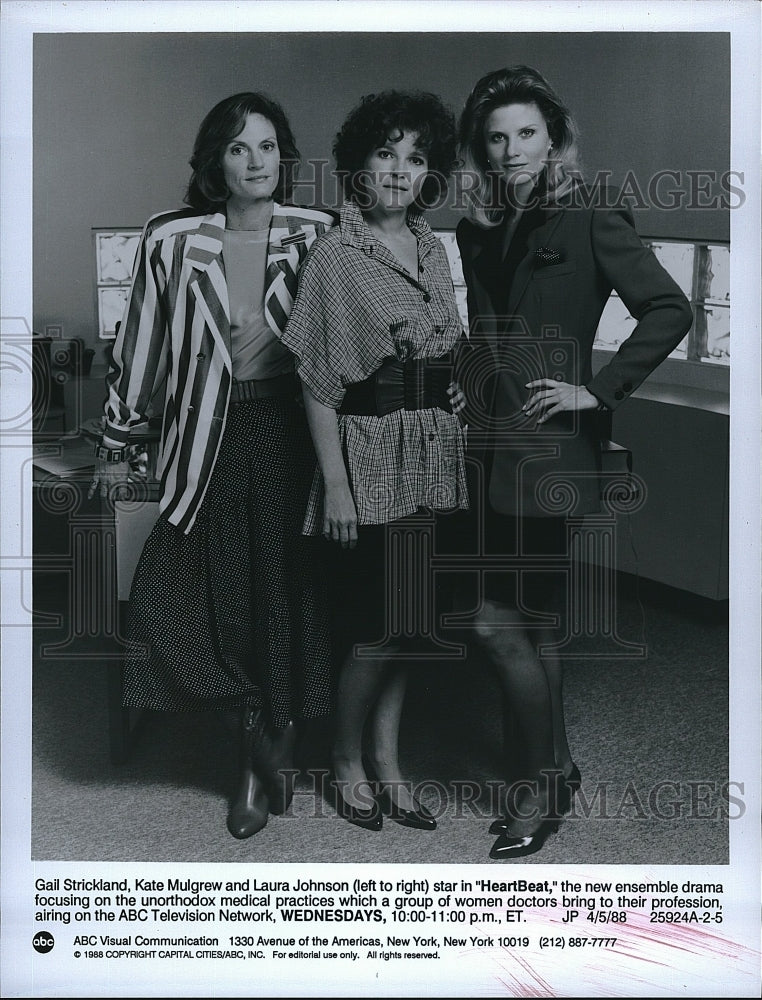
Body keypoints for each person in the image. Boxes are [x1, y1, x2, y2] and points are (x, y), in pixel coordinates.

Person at [455, 65, 693, 859]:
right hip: (484, 452)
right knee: (530, 626)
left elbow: (669, 307)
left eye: (526, 133)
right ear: (480, 150)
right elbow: (485, 335)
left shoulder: (590, 216)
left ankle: (538, 785)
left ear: (554, 139)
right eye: (496, 137)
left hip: (549, 455)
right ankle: (556, 770)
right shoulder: (477, 228)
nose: (511, 149)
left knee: (500, 624)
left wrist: (599, 391)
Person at [88, 92, 336, 840]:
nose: (255, 161)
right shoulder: (171, 239)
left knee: (283, 595)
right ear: (214, 163)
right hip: (210, 439)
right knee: (173, 596)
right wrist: (117, 441)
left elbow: (357, 333)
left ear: (283, 156)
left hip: (296, 437)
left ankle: (259, 760)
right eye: (238, 148)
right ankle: (263, 738)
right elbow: (144, 347)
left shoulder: (321, 235)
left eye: (267, 146)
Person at [280, 90, 468, 831]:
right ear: (358, 164)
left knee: (411, 621)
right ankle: (346, 759)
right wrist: (336, 488)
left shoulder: (430, 243)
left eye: (416, 158)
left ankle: (389, 762)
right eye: (385, 153)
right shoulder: (335, 254)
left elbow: (444, 343)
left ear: (431, 174)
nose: (399, 170)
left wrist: (452, 391)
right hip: (367, 457)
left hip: (431, 454)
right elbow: (318, 381)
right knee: (372, 625)